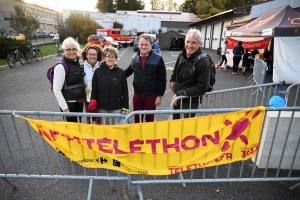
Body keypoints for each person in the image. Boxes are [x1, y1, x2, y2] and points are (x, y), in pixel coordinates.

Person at [169, 28, 211, 119]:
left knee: (187, 128)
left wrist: (180, 94)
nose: (189, 45)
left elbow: (202, 87)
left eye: (194, 43)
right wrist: (172, 79)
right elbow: (176, 68)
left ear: (200, 44)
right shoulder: (182, 54)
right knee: (176, 123)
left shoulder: (203, 62)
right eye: (187, 42)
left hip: (190, 101)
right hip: (178, 97)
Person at [124, 33, 166, 123]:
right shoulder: (135, 57)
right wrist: (115, 75)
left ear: (151, 45)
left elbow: (162, 79)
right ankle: (138, 137)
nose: (143, 47)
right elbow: (128, 71)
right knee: (137, 119)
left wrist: (160, 96)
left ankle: (148, 137)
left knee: (149, 120)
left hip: (151, 95)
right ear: (138, 45)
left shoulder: (158, 58)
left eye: (146, 45)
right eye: (141, 44)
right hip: (137, 94)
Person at [88, 46, 129, 125]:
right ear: (104, 57)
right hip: (102, 107)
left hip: (117, 107)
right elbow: (95, 90)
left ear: (116, 58)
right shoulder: (98, 72)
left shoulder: (121, 73)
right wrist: (93, 106)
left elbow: (125, 91)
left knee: (117, 130)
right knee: (104, 131)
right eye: (108, 56)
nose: (111, 59)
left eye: (113, 57)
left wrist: (125, 107)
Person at [53, 37, 85, 122]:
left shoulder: (76, 62)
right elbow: (56, 90)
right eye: (68, 49)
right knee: (71, 131)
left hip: (78, 101)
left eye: (74, 49)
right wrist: (65, 108)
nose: (71, 52)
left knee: (78, 127)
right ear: (63, 50)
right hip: (69, 104)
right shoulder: (61, 67)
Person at [80, 42, 103, 124]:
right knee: (89, 117)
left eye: (94, 54)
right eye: (90, 54)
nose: (92, 56)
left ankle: (99, 135)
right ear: (86, 55)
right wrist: (83, 89)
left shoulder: (102, 67)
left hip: (100, 97)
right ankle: (90, 135)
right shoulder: (81, 68)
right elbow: (78, 82)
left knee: (99, 118)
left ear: (97, 56)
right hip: (88, 97)